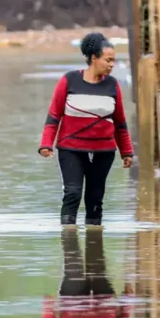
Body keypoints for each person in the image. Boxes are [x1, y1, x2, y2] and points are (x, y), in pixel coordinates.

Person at [39, 32, 135, 226]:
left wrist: (127, 152)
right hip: (71, 149)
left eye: (114, 61)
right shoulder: (69, 80)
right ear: (94, 58)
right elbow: (54, 116)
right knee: (72, 192)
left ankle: (94, 248)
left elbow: (120, 123)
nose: (111, 65)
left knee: (95, 198)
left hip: (104, 151)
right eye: (108, 60)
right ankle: (69, 244)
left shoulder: (112, 85)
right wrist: (46, 144)